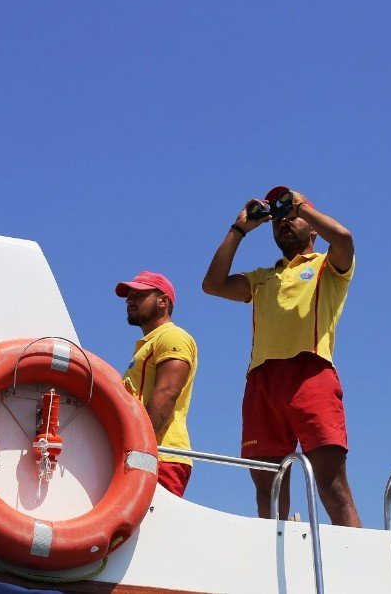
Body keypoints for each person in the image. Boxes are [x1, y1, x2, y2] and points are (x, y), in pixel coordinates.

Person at [202, 187, 361, 527]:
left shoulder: (326, 266)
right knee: (269, 491)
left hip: (311, 371)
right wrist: (239, 229)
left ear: (312, 227)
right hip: (262, 380)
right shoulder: (263, 277)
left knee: (332, 486)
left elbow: (344, 238)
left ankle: (359, 567)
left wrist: (300, 205)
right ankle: (279, 563)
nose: (284, 223)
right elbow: (212, 285)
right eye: (278, 221)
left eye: (292, 218)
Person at [116, 271, 199, 498]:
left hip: (160, 455)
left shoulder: (173, 337)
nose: (129, 300)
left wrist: (140, 447)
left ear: (163, 301)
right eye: (129, 295)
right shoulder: (148, 344)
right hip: (147, 453)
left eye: (139, 295)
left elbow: (167, 392)